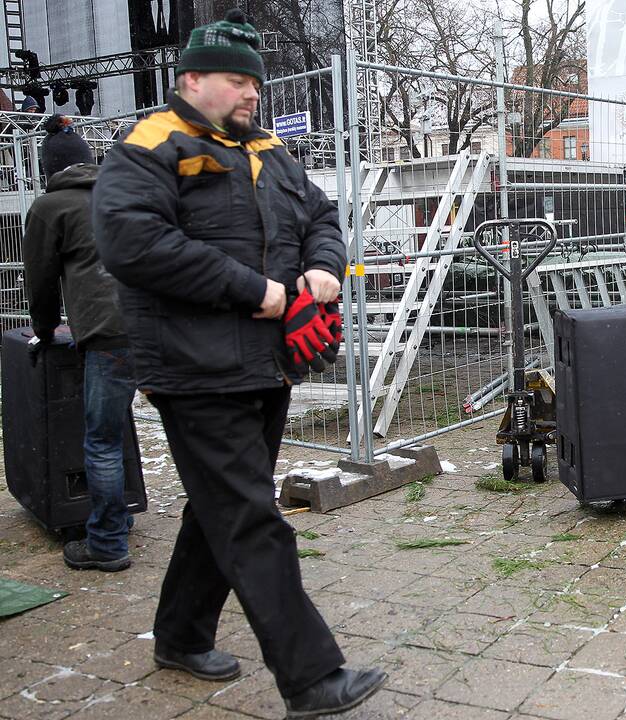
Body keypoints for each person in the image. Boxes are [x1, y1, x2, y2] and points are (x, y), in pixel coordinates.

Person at [92, 10, 385, 718]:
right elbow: (132, 243)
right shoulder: (150, 145)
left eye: (255, 81)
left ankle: (180, 634)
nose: (253, 93)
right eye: (237, 80)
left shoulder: (270, 153)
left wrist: (321, 269)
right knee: (252, 517)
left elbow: (321, 216)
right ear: (191, 80)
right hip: (194, 370)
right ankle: (312, 679)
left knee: (222, 506)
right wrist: (252, 289)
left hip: (266, 365)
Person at [22, 113, 135, 572]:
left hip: (109, 333)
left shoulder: (51, 208)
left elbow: (42, 282)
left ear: (50, 169)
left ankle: (108, 543)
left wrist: (46, 332)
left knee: (102, 440)